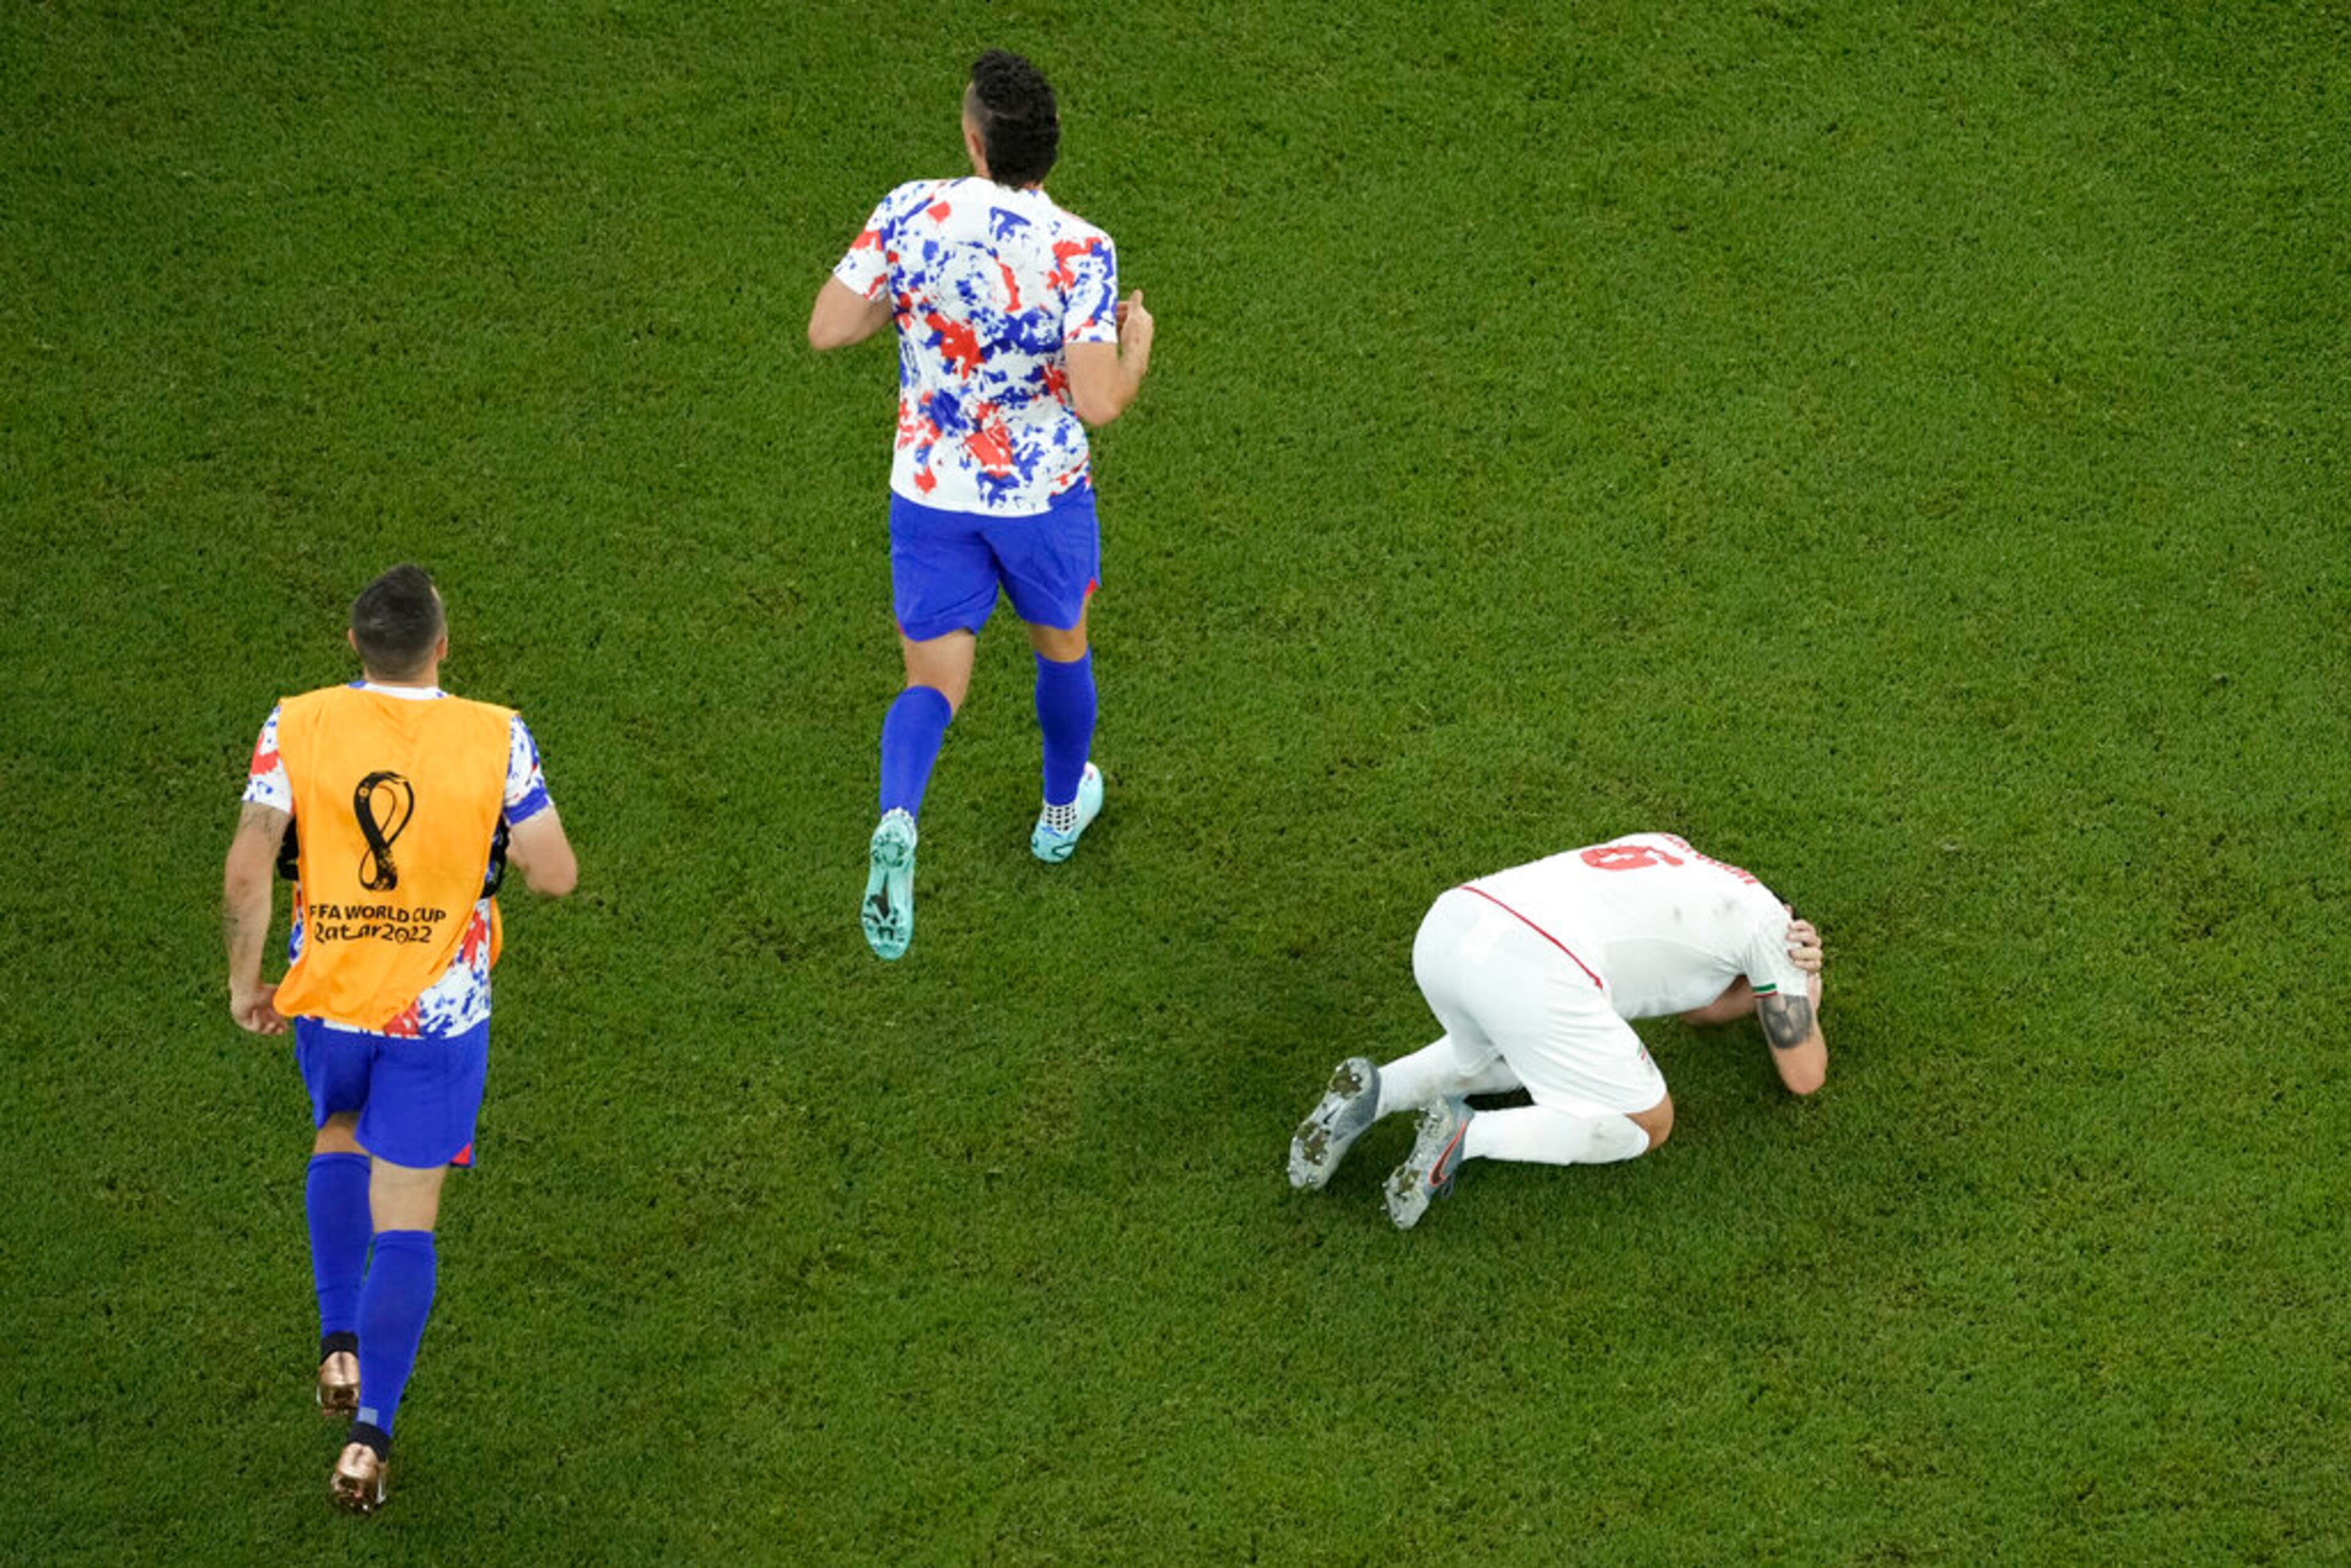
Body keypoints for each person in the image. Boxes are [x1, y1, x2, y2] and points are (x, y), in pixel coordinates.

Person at [222, 565, 577, 1512]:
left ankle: (337, 1340)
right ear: (443, 646)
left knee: (337, 1127)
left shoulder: (292, 722)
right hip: (438, 1015)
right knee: (407, 1216)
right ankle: (368, 1439)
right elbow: (554, 875)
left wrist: (244, 980)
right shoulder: (494, 734)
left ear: (354, 646)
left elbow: (252, 860)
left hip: (329, 993)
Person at [808, 48, 1155, 961]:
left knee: (932, 685)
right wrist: (1140, 342)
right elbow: (1101, 400)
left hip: (928, 495)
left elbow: (829, 326)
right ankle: (1056, 812)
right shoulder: (1083, 248)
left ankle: (899, 815)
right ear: (1051, 151)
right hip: (1039, 501)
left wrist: (914, 303)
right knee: (1060, 649)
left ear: (972, 140)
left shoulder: (910, 208)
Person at [1287, 833, 1826, 1229]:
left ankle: (1380, 1091)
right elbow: (1803, 1075)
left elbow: (1699, 1011)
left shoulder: (1671, 847)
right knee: (1648, 1122)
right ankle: (1466, 1134)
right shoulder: (1775, 930)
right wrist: (1806, 979)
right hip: (1539, 969)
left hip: (1452, 928)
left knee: (1505, 1049)